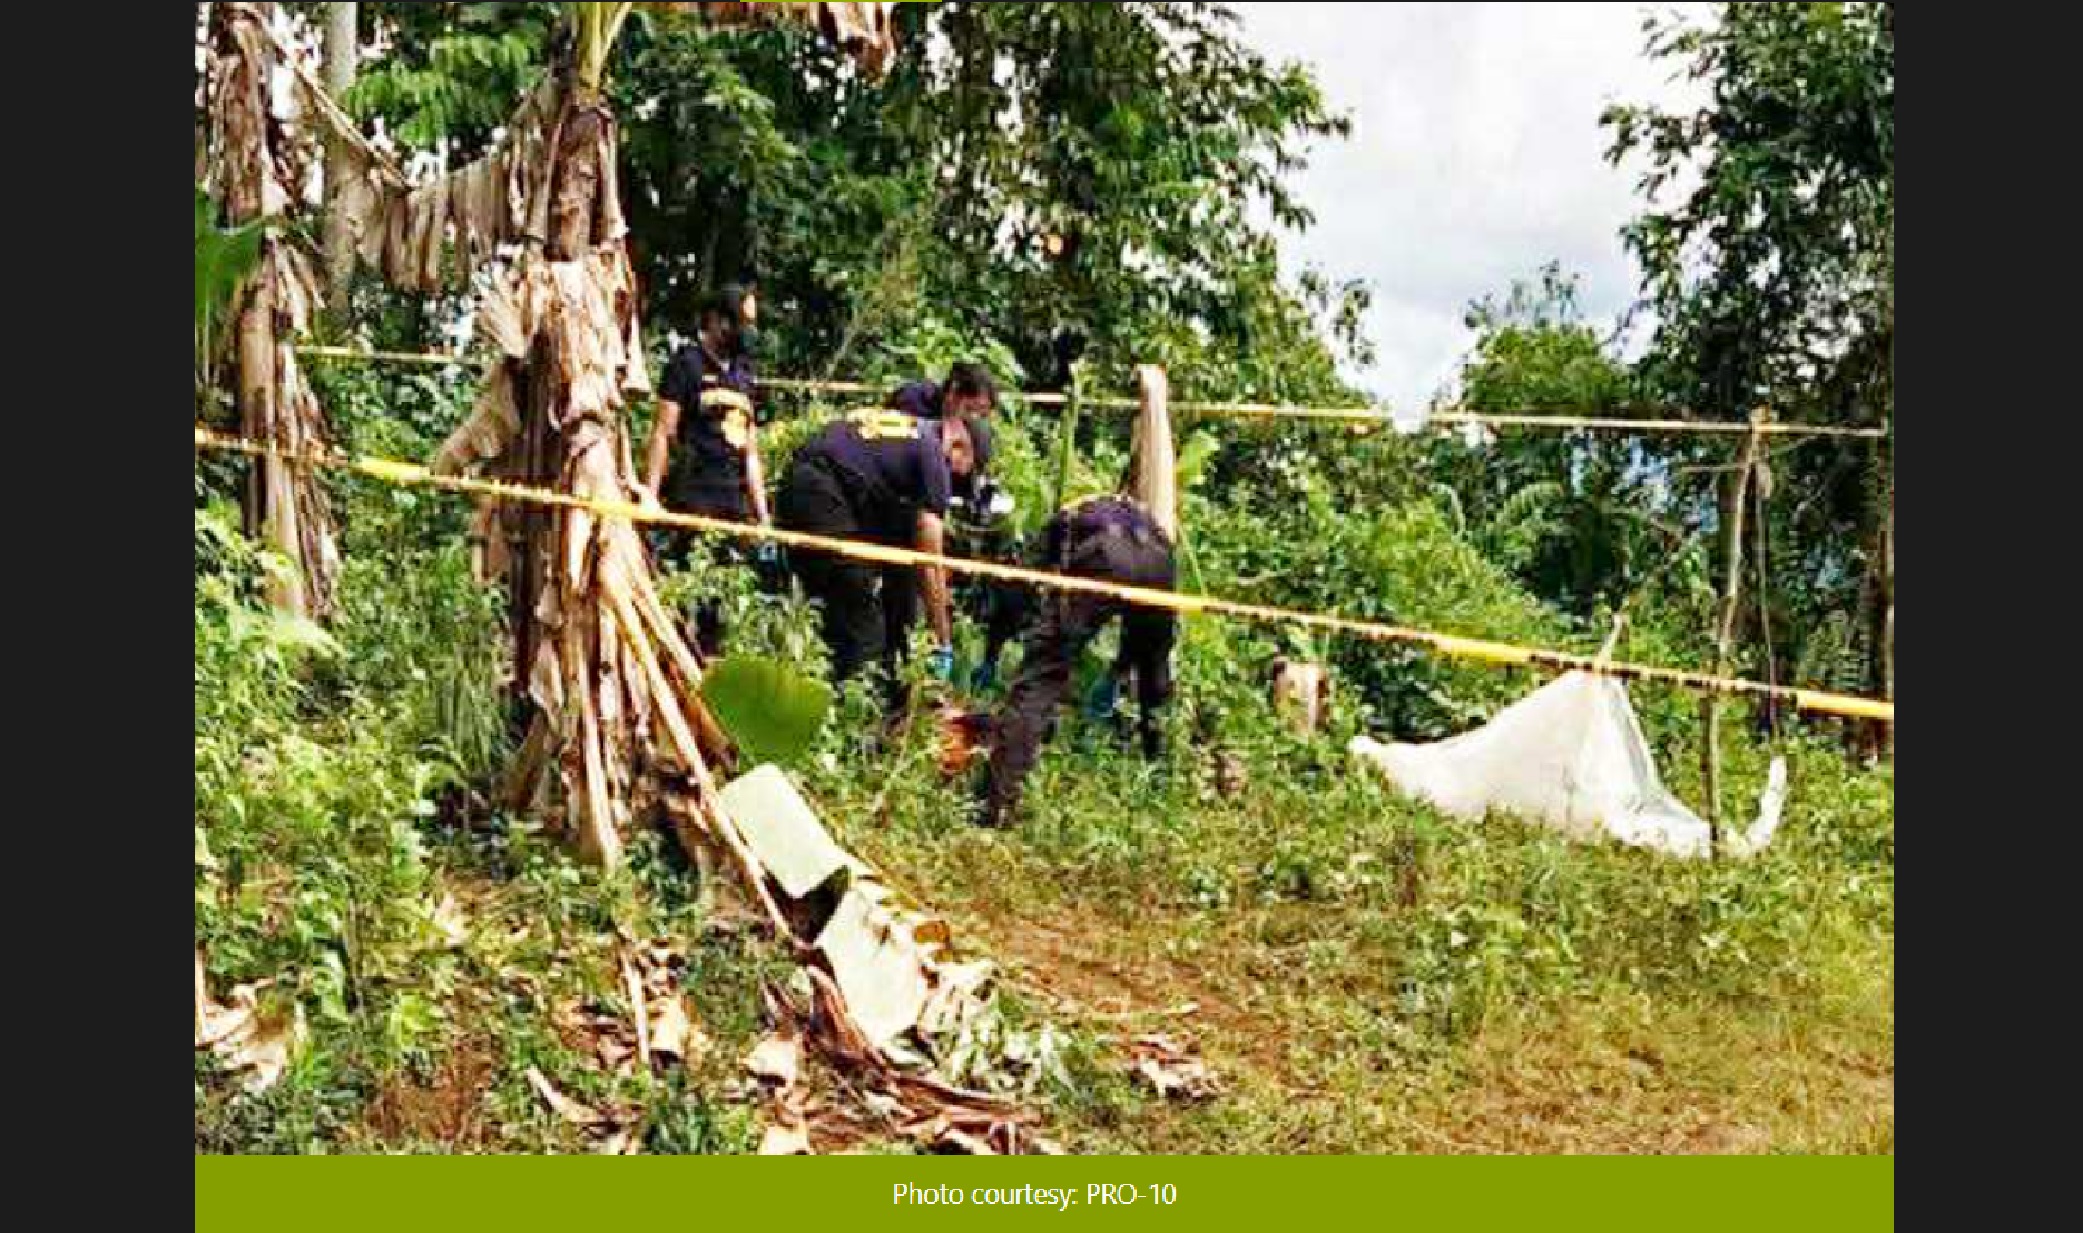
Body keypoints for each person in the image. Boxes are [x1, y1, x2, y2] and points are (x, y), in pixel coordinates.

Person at [976, 493, 1179, 830]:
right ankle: (1161, 791)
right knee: (1154, 679)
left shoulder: (1064, 522)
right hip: (1159, 561)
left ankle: (997, 806)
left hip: (1103, 556)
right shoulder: (1140, 518)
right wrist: (1118, 671)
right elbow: (1143, 634)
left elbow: (1017, 591)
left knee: (1040, 679)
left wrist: (992, 652)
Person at [777, 408, 993, 703]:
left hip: (800, 485)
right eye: (962, 474)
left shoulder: (906, 435)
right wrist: (942, 641)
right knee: (861, 623)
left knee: (841, 613)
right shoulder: (933, 454)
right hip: (823, 493)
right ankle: (854, 722)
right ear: (958, 447)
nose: (953, 485)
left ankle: (876, 701)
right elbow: (930, 563)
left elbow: (901, 559)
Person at [640, 284, 773, 659]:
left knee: (721, 605)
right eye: (738, 322)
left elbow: (751, 452)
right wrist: (651, 494)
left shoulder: (747, 376)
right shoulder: (687, 364)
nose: (745, 331)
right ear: (715, 320)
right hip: (695, 498)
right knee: (688, 598)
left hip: (734, 506)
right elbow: (663, 432)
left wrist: (762, 518)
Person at [887, 362, 999, 424]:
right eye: (969, 409)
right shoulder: (912, 398)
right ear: (953, 391)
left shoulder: (972, 427)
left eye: (982, 415)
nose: (973, 418)